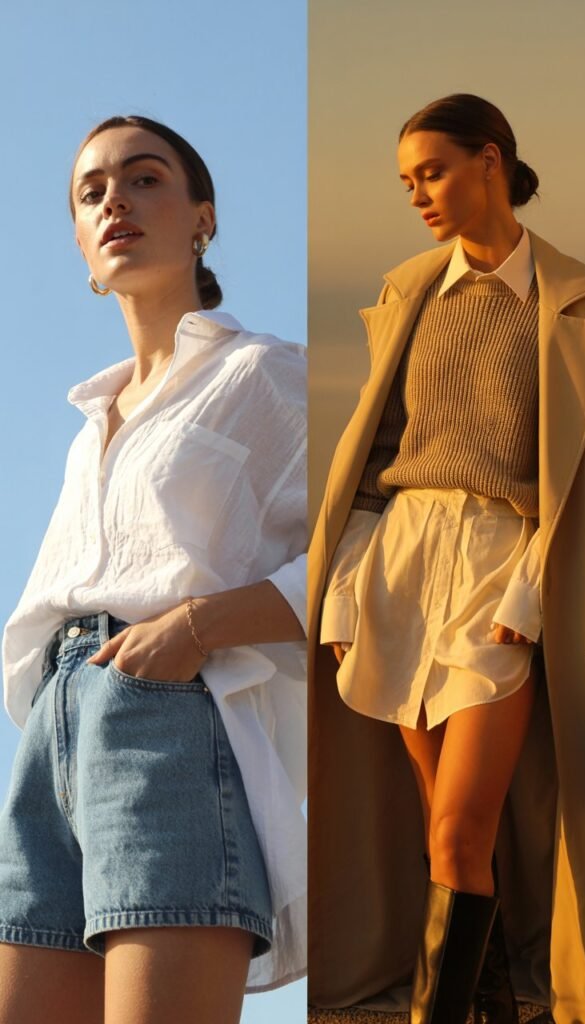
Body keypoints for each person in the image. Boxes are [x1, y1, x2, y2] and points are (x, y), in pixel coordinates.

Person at [308, 94, 585, 1024]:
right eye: (407, 180)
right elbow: (378, 459)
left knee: (462, 828)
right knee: (441, 836)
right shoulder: (410, 289)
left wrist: (534, 592)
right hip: (399, 566)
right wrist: (341, 598)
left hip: (508, 564)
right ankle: (488, 1006)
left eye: (434, 171)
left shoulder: (576, 300)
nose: (418, 193)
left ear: (491, 160)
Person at [0, 114, 307, 1024]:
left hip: (167, 721)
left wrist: (197, 627)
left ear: (202, 218)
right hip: (50, 741)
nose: (114, 202)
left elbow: (378, 550)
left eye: (144, 180)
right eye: (90, 192)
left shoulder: (268, 376)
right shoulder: (87, 424)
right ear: (84, 251)